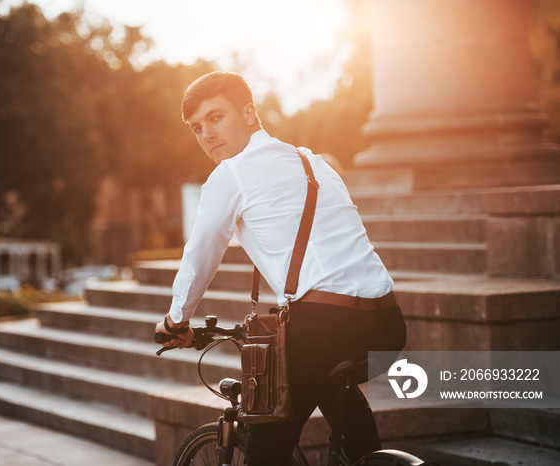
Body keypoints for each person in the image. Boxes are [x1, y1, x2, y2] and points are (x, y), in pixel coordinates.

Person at [154, 71, 407, 465]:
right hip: (388, 324)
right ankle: (371, 456)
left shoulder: (230, 175)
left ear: (250, 113)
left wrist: (176, 321)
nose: (206, 134)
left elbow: (200, 255)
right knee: (327, 381)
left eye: (216, 118)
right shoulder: (312, 161)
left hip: (324, 323)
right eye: (197, 128)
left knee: (264, 453)